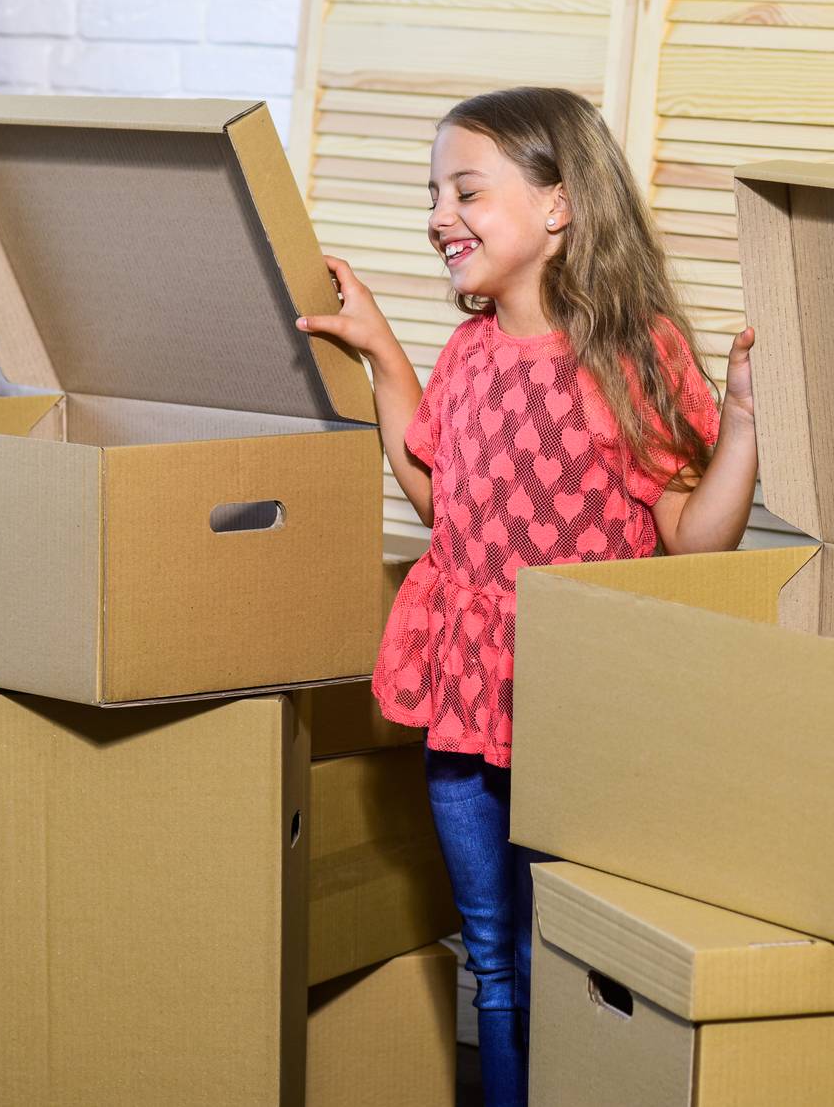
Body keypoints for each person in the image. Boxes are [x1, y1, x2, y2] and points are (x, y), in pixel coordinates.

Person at [296, 86, 759, 1104]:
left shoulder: (634, 352)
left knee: (570, 961)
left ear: (557, 206)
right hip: (463, 720)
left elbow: (695, 535)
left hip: (578, 714)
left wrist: (742, 426)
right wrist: (380, 353)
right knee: (494, 966)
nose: (438, 217)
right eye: (433, 195)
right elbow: (439, 500)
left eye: (466, 191)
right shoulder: (465, 357)